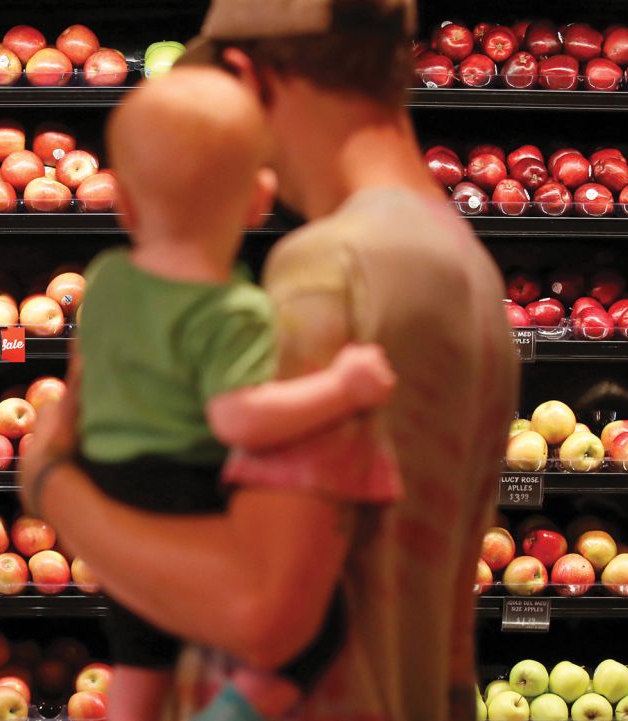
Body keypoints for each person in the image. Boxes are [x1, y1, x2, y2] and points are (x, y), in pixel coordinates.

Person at [17, 0, 521, 718]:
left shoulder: (330, 266)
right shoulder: (462, 261)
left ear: (249, 79)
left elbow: (261, 609)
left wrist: (53, 482)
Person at [77, 67, 398, 721]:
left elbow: (87, 374)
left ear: (124, 205)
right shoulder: (234, 309)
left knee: (139, 653)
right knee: (317, 629)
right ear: (259, 199)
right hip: (184, 494)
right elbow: (239, 419)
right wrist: (341, 386)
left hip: (109, 491)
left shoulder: (104, 277)